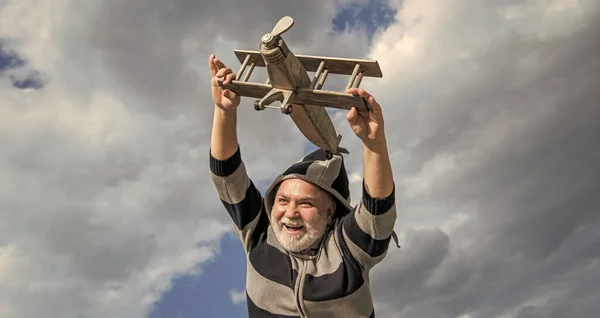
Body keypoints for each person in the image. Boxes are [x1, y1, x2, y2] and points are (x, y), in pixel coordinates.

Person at [208, 54, 398, 317]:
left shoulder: (348, 247)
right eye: (283, 200)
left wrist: (374, 144)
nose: (291, 212)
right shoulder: (259, 234)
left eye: (306, 203)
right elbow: (227, 176)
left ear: (331, 211)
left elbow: (377, 211)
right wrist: (223, 111)